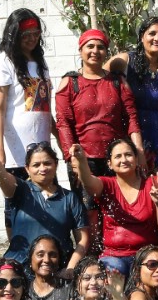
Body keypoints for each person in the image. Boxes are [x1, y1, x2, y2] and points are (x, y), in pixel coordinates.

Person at [69, 138, 158, 278]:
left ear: (137, 160)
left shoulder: (152, 184)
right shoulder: (106, 185)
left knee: (150, 267)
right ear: (110, 164)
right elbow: (88, 182)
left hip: (147, 256)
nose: (124, 159)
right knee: (114, 269)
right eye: (118, 156)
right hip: (113, 257)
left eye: (128, 155)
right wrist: (82, 160)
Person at [0, 8, 54, 225]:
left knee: (45, 202)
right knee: (16, 204)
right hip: (16, 150)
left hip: (42, 148)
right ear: (14, 34)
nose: (32, 38)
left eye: (36, 33)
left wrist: (62, 141)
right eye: (26, 34)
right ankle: (17, 253)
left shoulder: (40, 63)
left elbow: (46, 109)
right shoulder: (4, 61)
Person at [56, 29, 144, 187]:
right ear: (80, 50)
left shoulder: (118, 82)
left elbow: (131, 117)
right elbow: (63, 123)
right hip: (84, 160)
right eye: (90, 46)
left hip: (117, 158)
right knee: (88, 210)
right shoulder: (69, 83)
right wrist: (73, 158)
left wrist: (139, 151)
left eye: (100, 47)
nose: (95, 51)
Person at [0, 139, 87, 272]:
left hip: (57, 269)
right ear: (27, 169)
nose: (42, 169)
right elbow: (2, 176)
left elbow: (82, 240)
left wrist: (70, 269)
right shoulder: (18, 190)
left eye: (47, 163)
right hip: (19, 270)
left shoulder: (69, 198)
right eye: (36, 165)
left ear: (56, 164)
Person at [109, 17, 158, 175]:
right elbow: (98, 78)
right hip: (129, 132)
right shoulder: (125, 61)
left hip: (156, 134)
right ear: (142, 37)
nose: (157, 38)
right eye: (152, 33)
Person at [26, 234, 72, 300]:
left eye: (52, 255)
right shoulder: (23, 291)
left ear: (59, 260)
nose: (47, 260)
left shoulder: (71, 289)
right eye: (40, 255)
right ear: (30, 260)